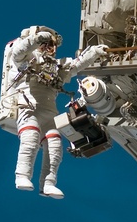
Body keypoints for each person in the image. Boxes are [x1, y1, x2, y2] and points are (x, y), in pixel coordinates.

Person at [7, 26, 108, 199]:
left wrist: (94, 52)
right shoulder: (25, 60)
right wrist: (37, 38)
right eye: (47, 44)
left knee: (54, 146)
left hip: (49, 113)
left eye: (52, 45)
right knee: (30, 139)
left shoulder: (56, 66)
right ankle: (22, 176)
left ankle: (48, 184)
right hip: (29, 107)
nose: (51, 48)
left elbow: (76, 65)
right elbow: (18, 51)